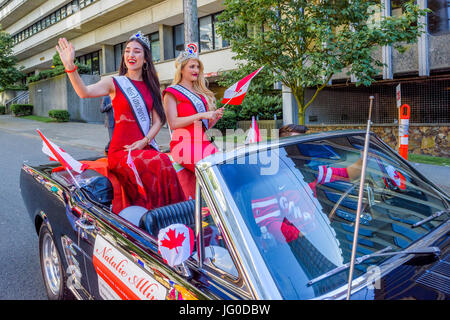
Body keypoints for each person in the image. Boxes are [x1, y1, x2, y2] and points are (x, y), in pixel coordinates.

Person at [55, 32, 185, 210]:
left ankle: (170, 214)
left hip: (142, 147)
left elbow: (158, 121)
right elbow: (83, 92)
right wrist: (70, 66)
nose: (131, 55)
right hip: (122, 151)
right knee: (156, 161)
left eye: (137, 51)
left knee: (163, 160)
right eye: (128, 51)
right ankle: (150, 216)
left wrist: (144, 141)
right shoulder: (114, 82)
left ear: (146, 58)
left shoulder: (150, 86)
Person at [162, 43, 224, 173]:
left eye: (197, 67)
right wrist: (201, 115)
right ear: (181, 70)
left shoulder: (200, 94)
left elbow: (202, 126)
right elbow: (173, 123)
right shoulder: (171, 92)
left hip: (203, 143)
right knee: (212, 172)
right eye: (192, 67)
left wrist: (214, 117)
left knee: (224, 168)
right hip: (183, 146)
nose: (196, 70)